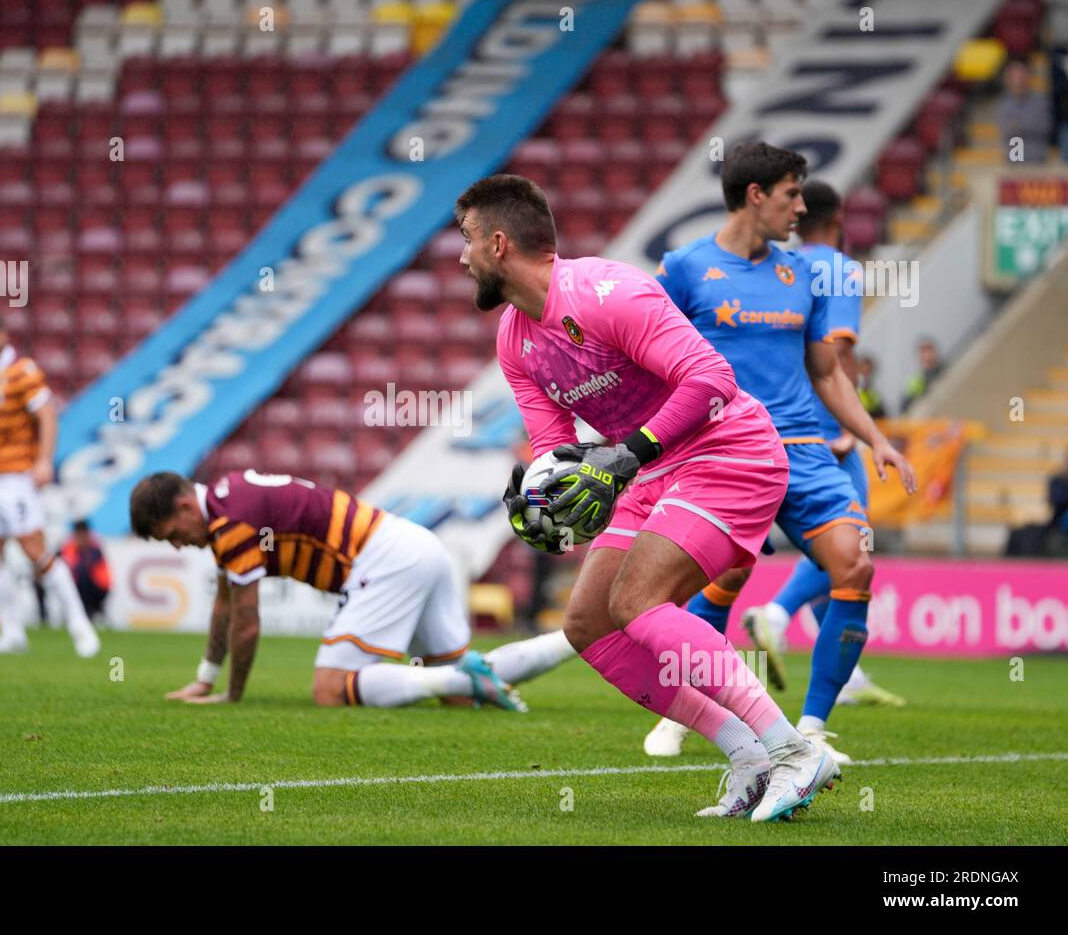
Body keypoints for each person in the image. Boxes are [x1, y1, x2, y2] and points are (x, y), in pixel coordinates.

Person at [458, 173, 839, 823]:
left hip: (731, 452)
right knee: (587, 624)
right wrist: (541, 497)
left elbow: (712, 379)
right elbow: (553, 445)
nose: (460, 256)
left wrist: (626, 455)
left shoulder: (611, 292)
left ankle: (796, 752)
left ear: (499, 244)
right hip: (652, 471)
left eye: (465, 239)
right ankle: (745, 753)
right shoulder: (513, 340)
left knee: (637, 603)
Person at [645, 144, 916, 765]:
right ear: (755, 194)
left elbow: (827, 373)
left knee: (854, 566)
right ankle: (689, 713)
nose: (802, 207)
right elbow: (650, 359)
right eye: (792, 193)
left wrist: (876, 439)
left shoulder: (806, 274)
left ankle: (814, 728)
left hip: (801, 446)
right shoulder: (684, 270)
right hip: (722, 450)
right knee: (723, 578)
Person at [129, 470, 576, 710]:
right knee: (457, 696)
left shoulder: (229, 522)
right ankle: (579, 636)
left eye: (172, 533)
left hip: (385, 559)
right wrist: (206, 679)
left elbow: (245, 622)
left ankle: (465, 674)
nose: (177, 544)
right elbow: (224, 605)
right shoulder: (230, 497)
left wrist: (233, 695)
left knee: (329, 688)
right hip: (416, 546)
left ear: (187, 506)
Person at [737, 180, 905, 713]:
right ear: (837, 226)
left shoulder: (778, 265)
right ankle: (780, 615)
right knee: (851, 539)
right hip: (816, 428)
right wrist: (853, 426)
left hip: (759, 426)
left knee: (734, 560)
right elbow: (837, 353)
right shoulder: (837, 267)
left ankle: (834, 672)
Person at [0, 311, 100, 658]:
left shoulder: (23, 371)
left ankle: (80, 625)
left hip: (16, 478)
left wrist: (43, 461)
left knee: (34, 549)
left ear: (2, 335)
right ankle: (11, 633)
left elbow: (47, 414)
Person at [998, 56, 1053, 163]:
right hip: (1014, 161)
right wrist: (1027, 125)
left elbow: (1045, 126)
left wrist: (1019, 126)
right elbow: (1006, 128)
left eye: (1022, 75)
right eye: (1016, 76)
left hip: (1037, 160)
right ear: (1009, 79)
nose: (1019, 80)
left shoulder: (1040, 101)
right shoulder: (1003, 103)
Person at [60, 520, 112, 623]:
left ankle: (88, 612)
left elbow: (84, 566)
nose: (80, 536)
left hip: (99, 588)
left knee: (83, 578)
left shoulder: (94, 547)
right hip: (79, 586)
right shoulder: (68, 547)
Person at [900, 337, 944, 413]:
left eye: (929, 349)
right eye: (923, 351)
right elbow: (904, 405)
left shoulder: (945, 369)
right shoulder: (916, 380)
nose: (927, 354)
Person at [857, 354, 887, 419]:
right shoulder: (856, 383)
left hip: (870, 413)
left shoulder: (871, 386)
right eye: (864, 369)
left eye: (869, 370)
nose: (867, 373)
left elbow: (876, 403)